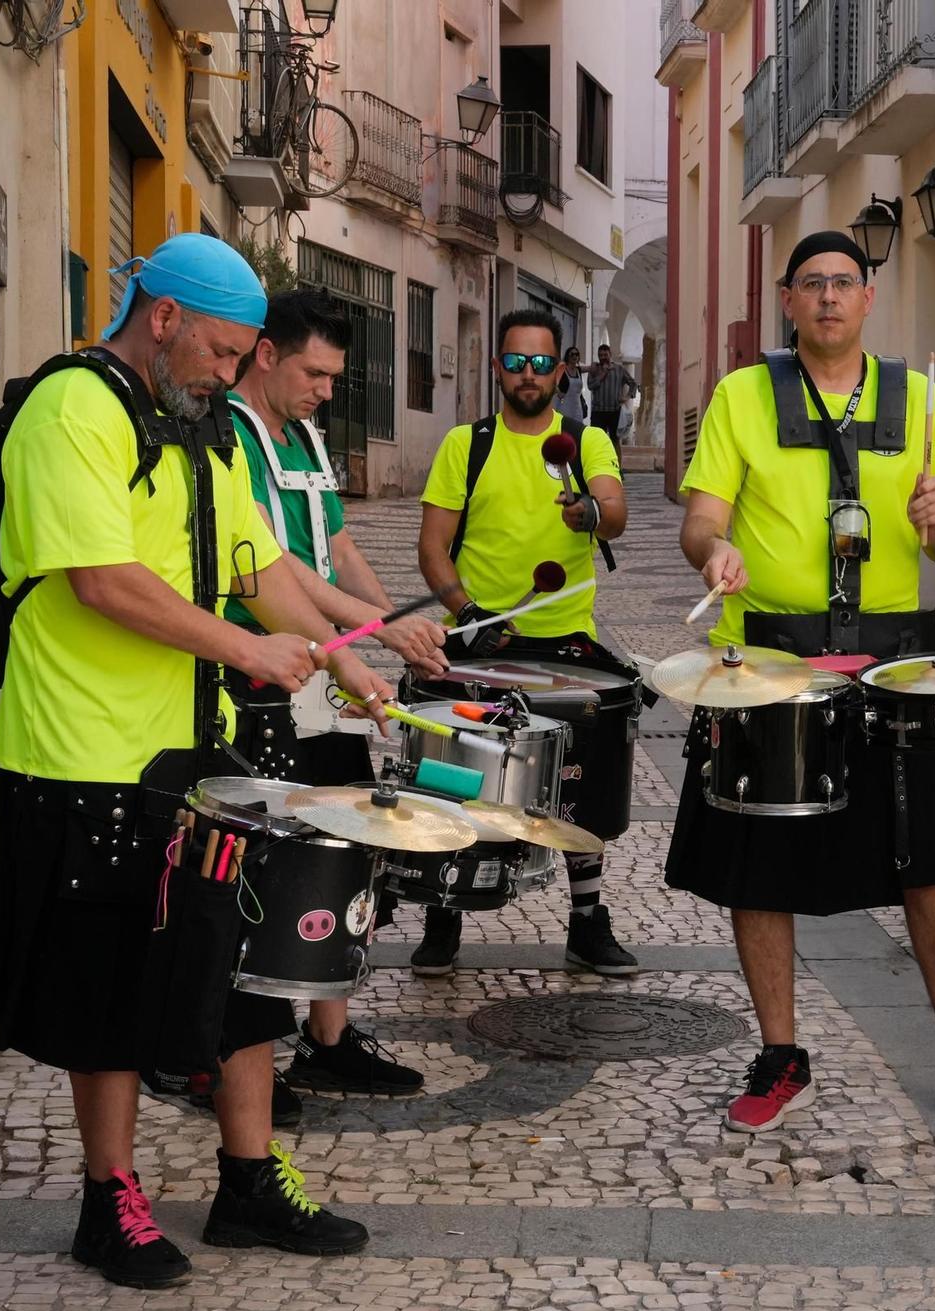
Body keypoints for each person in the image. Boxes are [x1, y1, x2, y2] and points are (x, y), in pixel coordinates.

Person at [0, 235, 393, 1289]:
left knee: (237, 965)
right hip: (84, 755)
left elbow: (258, 572)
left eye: (242, 354)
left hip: (198, 756)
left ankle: (247, 1179)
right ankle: (109, 1199)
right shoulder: (72, 411)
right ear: (161, 318)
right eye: (219, 348)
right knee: (104, 992)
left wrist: (343, 662)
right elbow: (101, 578)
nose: (229, 370)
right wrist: (248, 651)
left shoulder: (205, 434)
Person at [670, 230, 935, 1132]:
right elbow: (701, 519)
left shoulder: (922, 398)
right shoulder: (742, 396)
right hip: (772, 665)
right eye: (811, 284)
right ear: (788, 302)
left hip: (894, 665)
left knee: (927, 857)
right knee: (760, 861)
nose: (828, 297)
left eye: (844, 283)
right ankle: (781, 1053)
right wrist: (719, 550)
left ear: (868, 299)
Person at [222, 287, 452, 1112]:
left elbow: (339, 543)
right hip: (262, 677)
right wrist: (378, 628)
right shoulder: (232, 438)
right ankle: (232, 1048)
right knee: (262, 866)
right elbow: (271, 572)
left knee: (341, 849)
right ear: (266, 353)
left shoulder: (307, 436)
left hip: (325, 674)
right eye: (315, 373)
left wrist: (388, 619)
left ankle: (327, 1039)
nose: (327, 390)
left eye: (334, 376)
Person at [412, 308, 636, 975]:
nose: (529, 375)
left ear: (562, 371)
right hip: (482, 640)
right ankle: (442, 909)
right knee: (452, 780)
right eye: (516, 362)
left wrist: (590, 512)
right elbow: (432, 548)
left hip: (566, 644)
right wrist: (469, 609)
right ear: (497, 367)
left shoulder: (586, 442)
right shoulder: (466, 445)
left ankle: (587, 919)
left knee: (582, 783)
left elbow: (615, 514)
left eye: (542, 363)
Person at [585, 342, 638, 442]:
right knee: (597, 440)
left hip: (615, 411)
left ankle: (616, 458)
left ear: (610, 354)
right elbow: (590, 386)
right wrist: (602, 374)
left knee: (615, 440)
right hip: (598, 411)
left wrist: (627, 397)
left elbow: (633, 384)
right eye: (600, 355)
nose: (603, 357)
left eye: (605, 355)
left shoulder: (619, 369)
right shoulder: (594, 369)